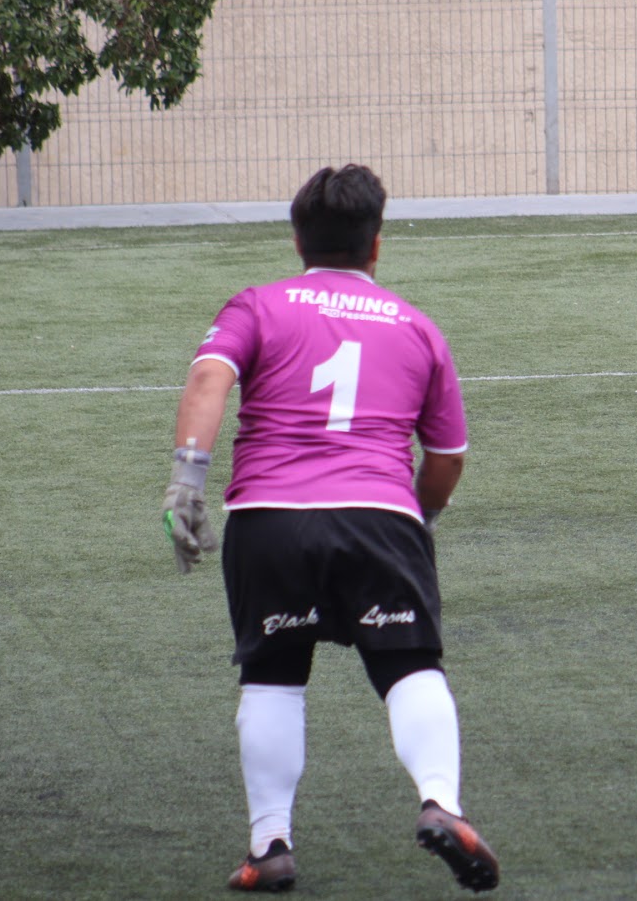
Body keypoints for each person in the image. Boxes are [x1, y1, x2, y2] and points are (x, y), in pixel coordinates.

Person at [161, 164, 499, 893]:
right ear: (376, 244)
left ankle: (270, 845)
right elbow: (446, 459)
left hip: (268, 520)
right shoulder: (416, 325)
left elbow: (209, 379)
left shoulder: (257, 305)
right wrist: (417, 521)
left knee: (273, 676)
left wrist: (187, 480)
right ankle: (441, 802)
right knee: (411, 668)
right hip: (379, 516)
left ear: (297, 241)